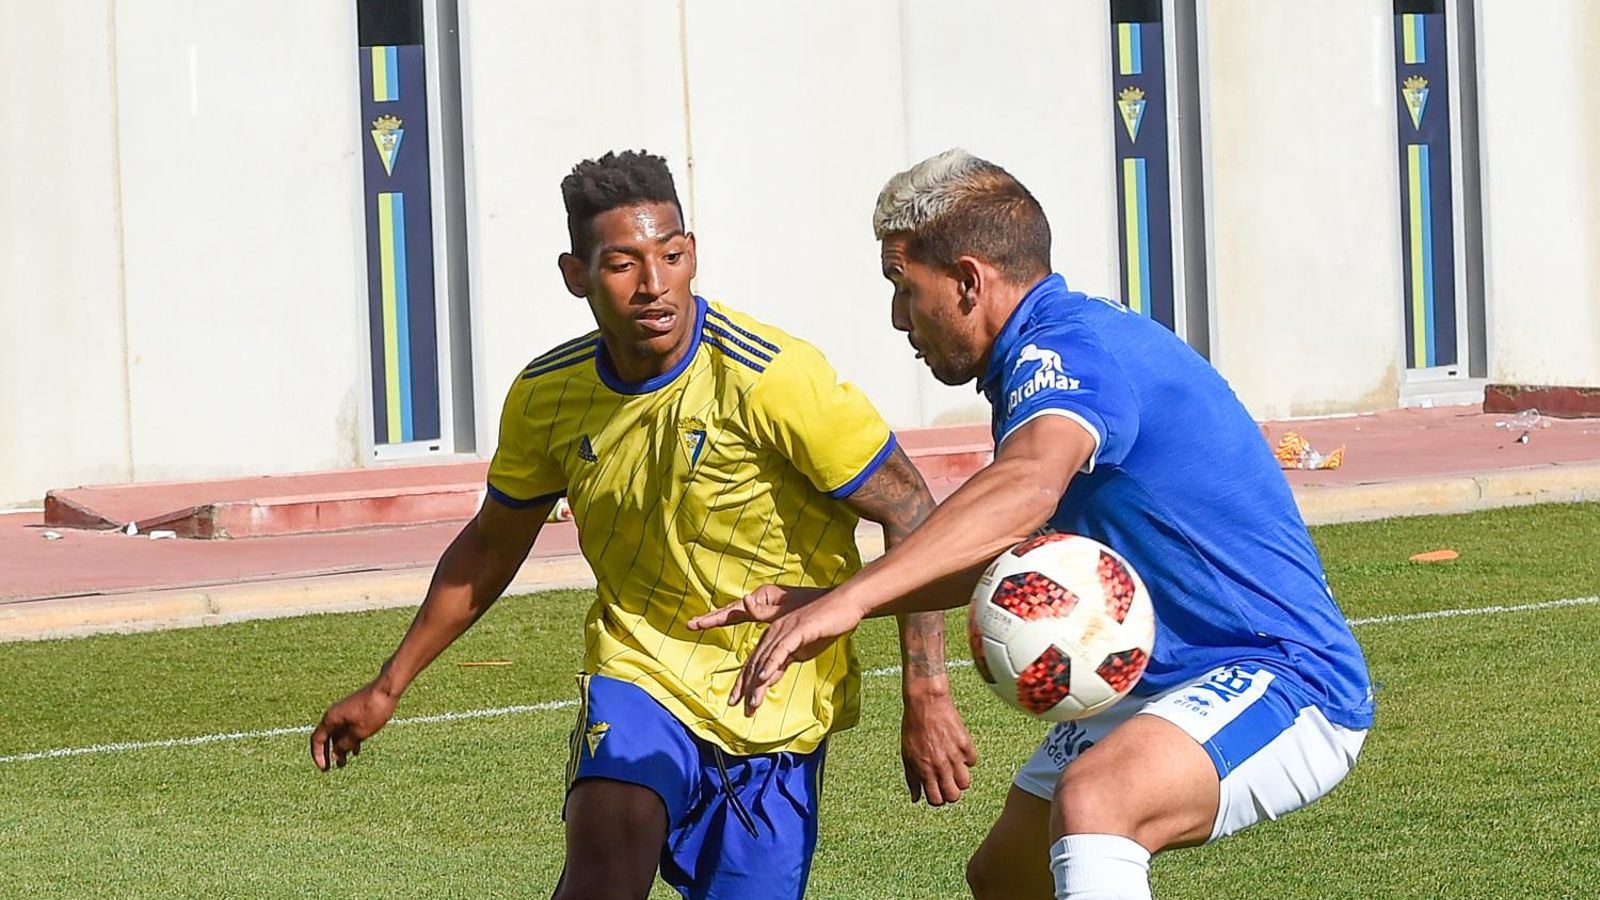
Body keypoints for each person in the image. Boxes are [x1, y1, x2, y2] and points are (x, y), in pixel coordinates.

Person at [690, 149, 1374, 900]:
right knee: (1007, 878)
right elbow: (1001, 545)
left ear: (969, 281)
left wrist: (848, 602)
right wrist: (838, 598)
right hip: (1156, 683)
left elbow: (1024, 485)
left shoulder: (1067, 352)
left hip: (1281, 676)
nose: (895, 317)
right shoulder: (1043, 352)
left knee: (1097, 801)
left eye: (903, 287)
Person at [309, 150, 976, 900]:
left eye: (672, 256)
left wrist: (926, 693)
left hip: (776, 695)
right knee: (601, 872)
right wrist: (389, 684)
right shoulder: (546, 395)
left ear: (691, 255)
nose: (655, 285)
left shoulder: (773, 376)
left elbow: (910, 508)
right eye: (623, 264)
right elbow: (492, 543)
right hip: (640, 671)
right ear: (576, 275)